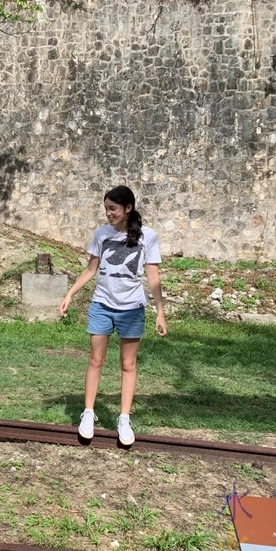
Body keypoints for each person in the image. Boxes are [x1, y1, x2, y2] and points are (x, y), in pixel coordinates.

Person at [59, 185, 167, 446]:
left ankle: (124, 417)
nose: (108, 213)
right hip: (102, 305)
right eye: (106, 208)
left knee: (128, 364)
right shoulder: (101, 234)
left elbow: (153, 277)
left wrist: (160, 312)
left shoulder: (147, 236)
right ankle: (88, 413)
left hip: (131, 309)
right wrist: (70, 294)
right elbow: (91, 269)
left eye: (113, 209)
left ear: (127, 208)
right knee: (96, 360)